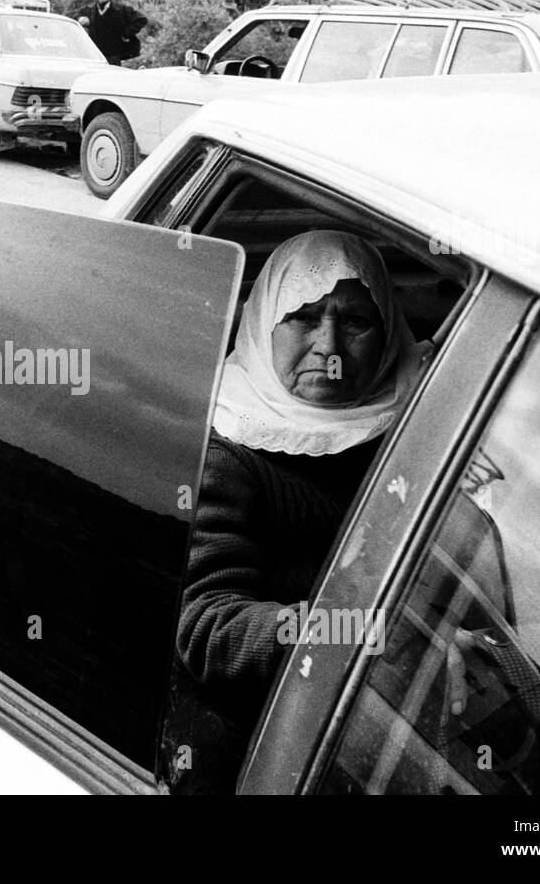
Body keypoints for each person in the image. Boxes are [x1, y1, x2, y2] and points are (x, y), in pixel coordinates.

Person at [163, 229, 429, 793]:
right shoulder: (229, 448)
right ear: (264, 325)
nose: (329, 347)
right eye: (304, 317)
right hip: (275, 723)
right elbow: (207, 624)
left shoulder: (419, 421)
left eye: (355, 322)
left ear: (387, 336)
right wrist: (348, 635)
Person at [73, 0, 148, 65]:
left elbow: (142, 19)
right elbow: (70, 21)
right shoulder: (87, 10)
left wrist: (126, 34)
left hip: (113, 57)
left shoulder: (122, 9)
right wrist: (79, 19)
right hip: (94, 57)